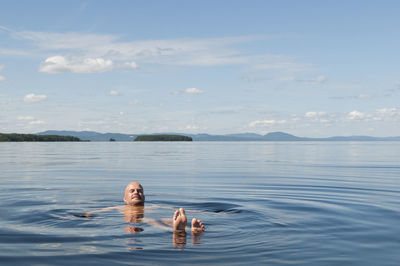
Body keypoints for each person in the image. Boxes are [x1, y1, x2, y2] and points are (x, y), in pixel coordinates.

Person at [84, 182, 205, 236]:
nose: (136, 192)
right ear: (125, 198)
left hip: (150, 221)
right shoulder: (118, 207)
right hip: (135, 223)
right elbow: (93, 213)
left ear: (144, 197)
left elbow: (175, 209)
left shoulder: (154, 206)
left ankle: (190, 229)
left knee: (167, 219)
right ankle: (180, 230)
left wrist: (203, 212)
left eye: (139, 191)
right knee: (151, 221)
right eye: (132, 191)